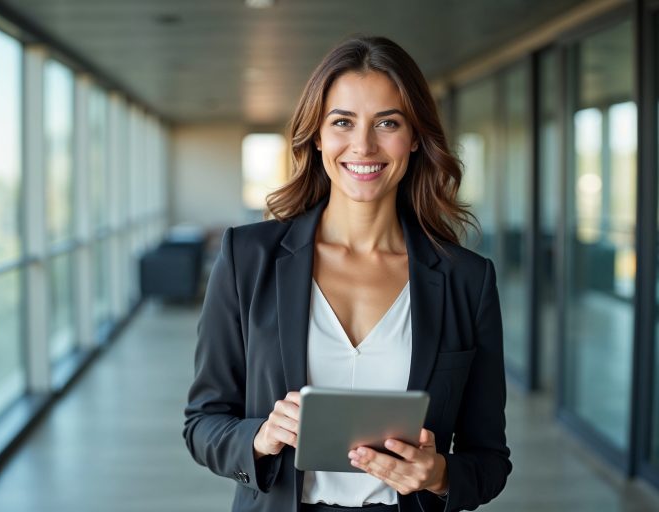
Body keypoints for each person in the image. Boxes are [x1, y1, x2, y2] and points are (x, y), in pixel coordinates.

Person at [183, 35, 511, 512]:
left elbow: (490, 461)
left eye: (388, 123)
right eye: (342, 122)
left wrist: (439, 475)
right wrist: (261, 436)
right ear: (317, 136)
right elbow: (203, 424)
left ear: (415, 136)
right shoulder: (247, 258)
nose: (363, 145)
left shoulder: (467, 279)